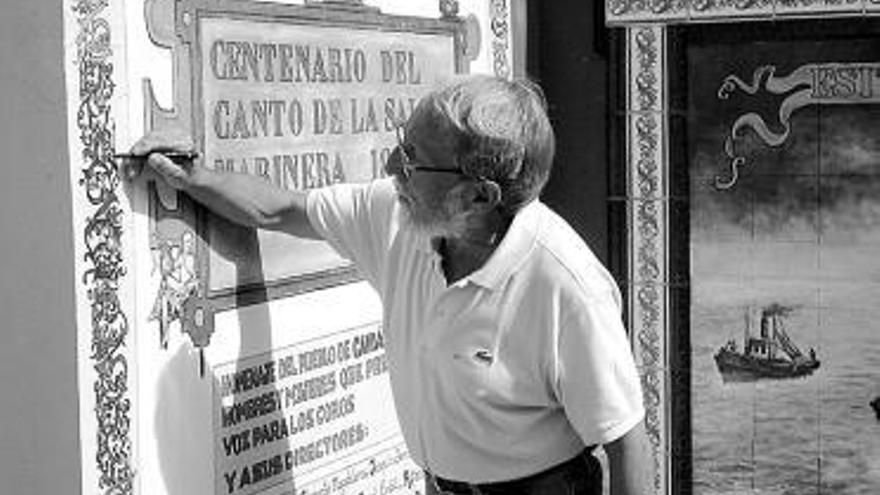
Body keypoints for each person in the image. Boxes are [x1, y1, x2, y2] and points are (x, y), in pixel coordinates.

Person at [132, 74, 652, 495]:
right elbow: (282, 208)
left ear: (477, 197)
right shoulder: (396, 215)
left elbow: (626, 441)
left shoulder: (567, 286)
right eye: (400, 146)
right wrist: (193, 177)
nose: (390, 168)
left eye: (412, 160)